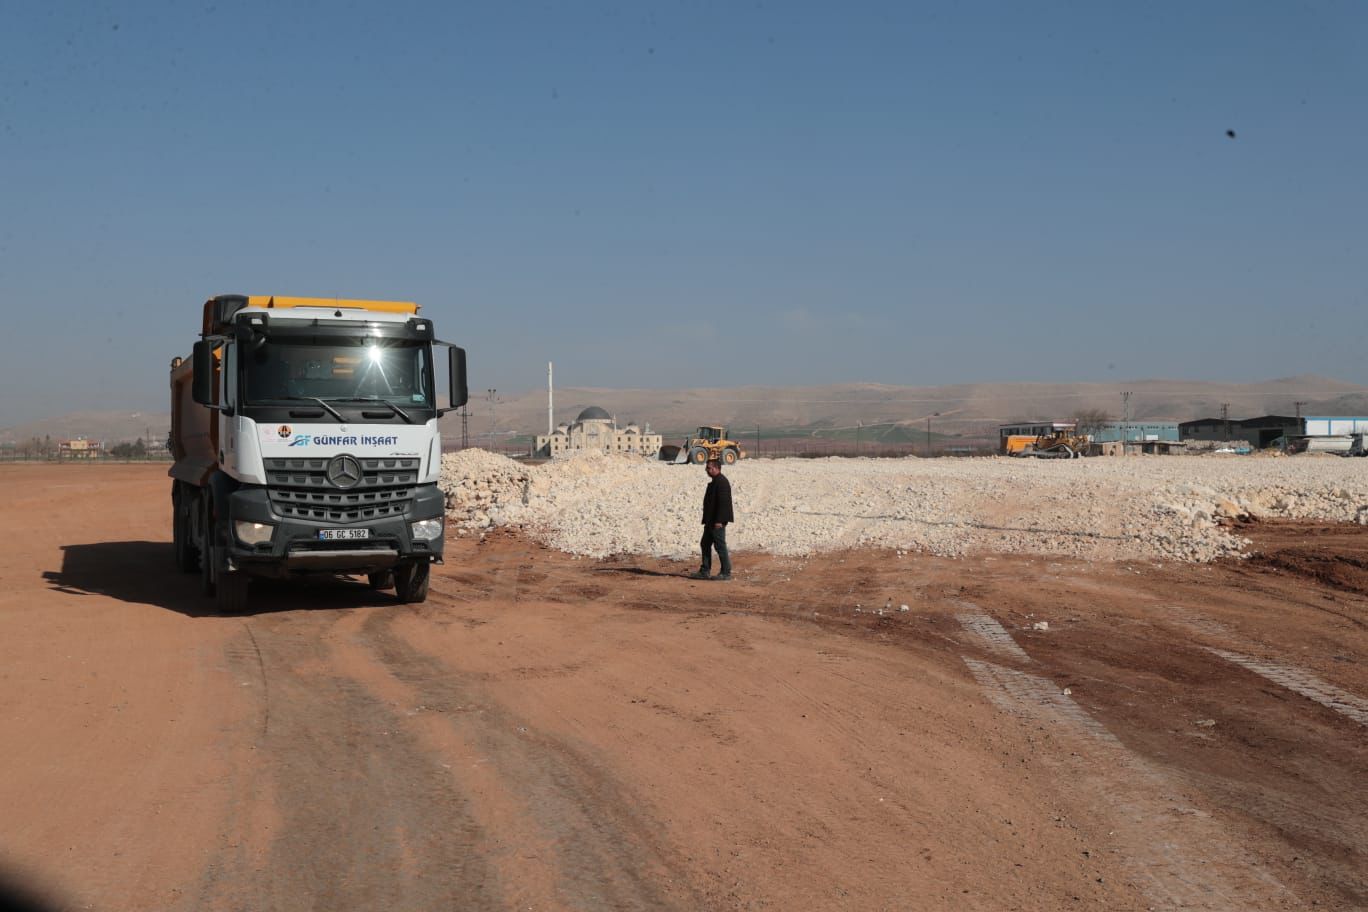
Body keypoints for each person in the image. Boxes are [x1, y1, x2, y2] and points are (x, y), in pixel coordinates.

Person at [691, 458, 734, 580]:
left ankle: (726, 572)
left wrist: (720, 521)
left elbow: (723, 503)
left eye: (709, 468)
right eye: (707, 468)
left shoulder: (722, 482)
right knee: (705, 543)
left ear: (716, 468)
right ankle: (705, 571)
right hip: (711, 521)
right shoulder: (716, 481)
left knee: (720, 546)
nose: (707, 470)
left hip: (717, 521)